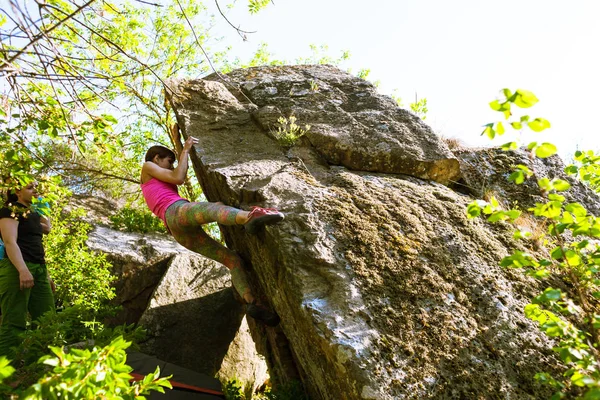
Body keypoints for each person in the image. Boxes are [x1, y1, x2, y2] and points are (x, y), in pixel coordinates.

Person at [140, 133, 284, 326]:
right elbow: (179, 177)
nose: (172, 165)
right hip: (176, 212)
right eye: (169, 161)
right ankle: (249, 217)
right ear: (156, 158)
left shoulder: (153, 181)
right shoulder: (148, 166)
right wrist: (185, 150)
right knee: (214, 209)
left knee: (232, 260)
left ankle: (252, 301)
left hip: (178, 231)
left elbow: (176, 176)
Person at [0, 181, 55, 359]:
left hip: (39, 268)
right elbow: (10, 242)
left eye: (36, 187)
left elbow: (46, 229)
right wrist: (23, 270)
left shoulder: (31, 214)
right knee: (14, 322)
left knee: (47, 320)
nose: (35, 191)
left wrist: (46, 275)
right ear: (17, 191)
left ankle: (36, 368)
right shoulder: (10, 210)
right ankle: (7, 376)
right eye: (30, 188)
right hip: (17, 267)